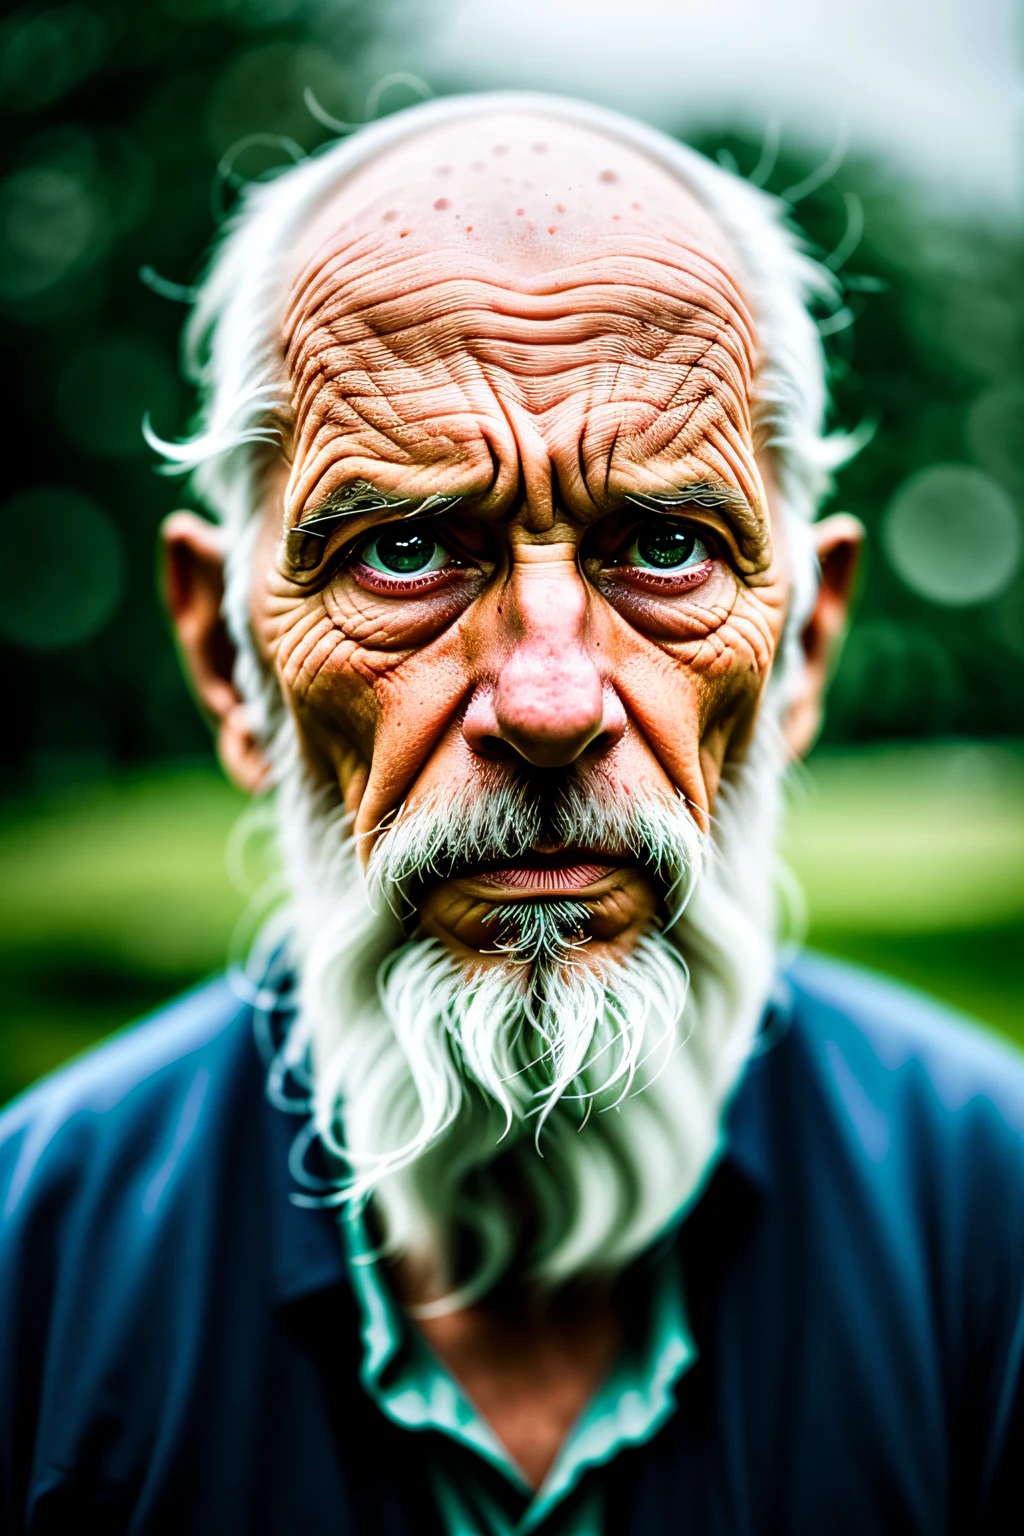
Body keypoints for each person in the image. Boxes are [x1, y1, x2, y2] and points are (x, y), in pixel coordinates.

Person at [1, 92, 1021, 1535]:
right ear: (229, 658)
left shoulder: (998, 1227)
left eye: (665, 545)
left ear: (802, 652)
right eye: (404, 549)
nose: (550, 704)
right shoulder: (27, 1268)